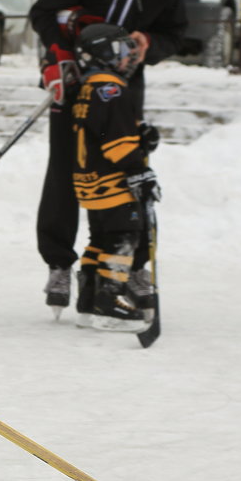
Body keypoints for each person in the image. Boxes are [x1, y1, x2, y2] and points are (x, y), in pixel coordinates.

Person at [29, 0, 198, 316]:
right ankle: (59, 264)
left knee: (126, 174)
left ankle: (124, 268)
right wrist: (59, 54)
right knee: (65, 173)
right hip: (71, 86)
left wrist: (149, 44)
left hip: (121, 96)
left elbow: (176, 35)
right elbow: (44, 13)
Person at [69, 23, 161, 332]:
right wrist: (139, 170)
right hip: (114, 182)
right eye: (121, 50)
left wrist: (141, 135)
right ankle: (108, 303)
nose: (127, 57)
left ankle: (88, 301)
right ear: (105, 53)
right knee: (123, 238)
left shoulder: (90, 85)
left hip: (91, 180)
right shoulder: (113, 88)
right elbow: (116, 141)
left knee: (101, 239)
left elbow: (104, 129)